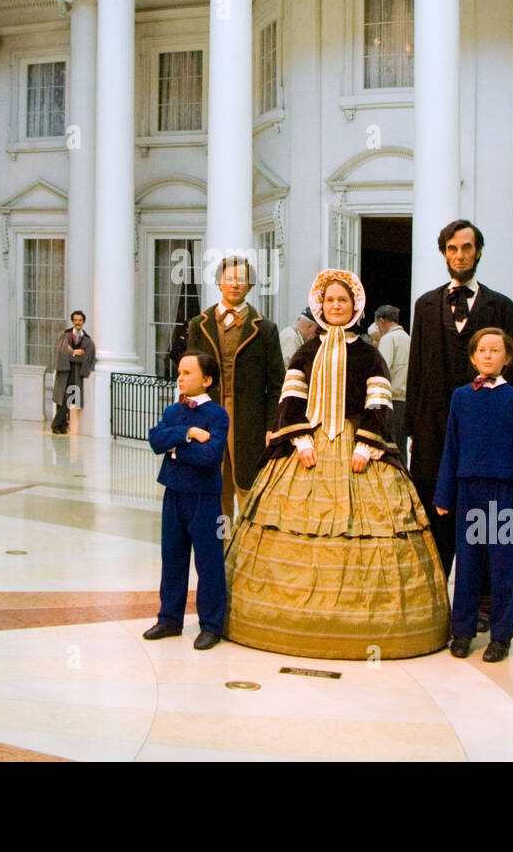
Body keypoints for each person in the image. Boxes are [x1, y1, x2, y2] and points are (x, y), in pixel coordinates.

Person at [224, 269, 450, 660]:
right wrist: (298, 436)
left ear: (355, 306)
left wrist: (366, 444)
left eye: (342, 300)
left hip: (357, 447)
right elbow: (290, 397)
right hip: (307, 446)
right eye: (329, 300)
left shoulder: (369, 353)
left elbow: (378, 402)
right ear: (320, 306)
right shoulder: (305, 352)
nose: (335, 306)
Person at [406, 219, 513, 633]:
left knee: (486, 515)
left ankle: (486, 603)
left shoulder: (500, 306)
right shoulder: (424, 305)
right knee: (437, 511)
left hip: (486, 431)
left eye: (467, 247)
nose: (460, 255)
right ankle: (438, 598)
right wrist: (413, 432)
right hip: (434, 430)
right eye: (453, 248)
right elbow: (416, 372)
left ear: (478, 252)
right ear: (444, 253)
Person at [434, 328, 513, 663]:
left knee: (502, 565)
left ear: (507, 357)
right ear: (472, 356)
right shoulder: (461, 397)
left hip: (503, 492)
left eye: (496, 350)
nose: (488, 355)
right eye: (482, 349)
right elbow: (451, 447)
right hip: (468, 490)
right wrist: (444, 494)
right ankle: (462, 631)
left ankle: (502, 635)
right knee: (467, 564)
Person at [143, 351, 230, 651]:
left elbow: (210, 456)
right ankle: (169, 619)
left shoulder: (217, 415)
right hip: (174, 493)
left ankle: (211, 625)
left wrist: (176, 449)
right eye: (179, 372)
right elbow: (155, 440)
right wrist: (188, 433)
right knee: (172, 557)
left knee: (209, 562)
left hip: (204, 498)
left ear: (207, 380)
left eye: (188, 373)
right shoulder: (173, 412)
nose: (180, 377)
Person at [186, 256, 284, 521]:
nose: (235, 285)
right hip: (209, 417)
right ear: (219, 282)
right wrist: (189, 419)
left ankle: (249, 555)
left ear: (250, 286)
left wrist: (271, 427)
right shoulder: (199, 324)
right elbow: (189, 377)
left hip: (248, 420)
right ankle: (220, 553)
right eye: (229, 279)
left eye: (242, 280)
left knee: (248, 489)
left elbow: (277, 384)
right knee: (214, 489)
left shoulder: (265, 329)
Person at [51, 311, 96, 434]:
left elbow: (87, 357)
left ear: (83, 322)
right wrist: (76, 353)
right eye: (75, 320)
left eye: (80, 320)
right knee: (61, 399)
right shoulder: (64, 336)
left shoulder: (88, 340)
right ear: (72, 321)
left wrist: (71, 353)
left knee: (70, 399)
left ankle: (59, 425)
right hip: (64, 371)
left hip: (77, 374)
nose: (77, 322)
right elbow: (61, 352)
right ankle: (58, 426)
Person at [374, 304, 410, 454]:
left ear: (382, 321)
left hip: (390, 400)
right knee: (400, 447)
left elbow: (382, 370)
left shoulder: (389, 339)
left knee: (388, 447)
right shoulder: (408, 338)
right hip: (405, 401)